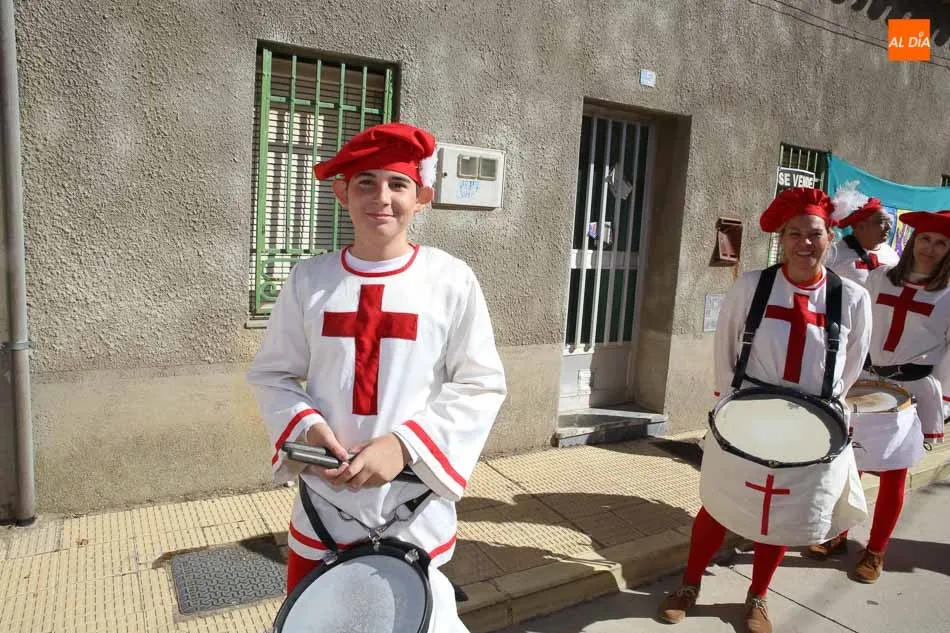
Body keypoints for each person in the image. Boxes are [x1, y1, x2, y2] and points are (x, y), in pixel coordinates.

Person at [247, 122, 507, 632]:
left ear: (422, 197)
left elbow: (481, 384)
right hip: (324, 510)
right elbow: (272, 374)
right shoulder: (309, 280)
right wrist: (307, 429)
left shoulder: (451, 280)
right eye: (365, 182)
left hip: (412, 514)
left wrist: (404, 446)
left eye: (397, 184)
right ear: (342, 192)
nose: (381, 197)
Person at [657, 187, 871, 633]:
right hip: (747, 415)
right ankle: (689, 584)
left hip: (811, 424)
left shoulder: (851, 297)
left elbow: (850, 367)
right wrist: (727, 410)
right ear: (781, 239)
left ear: (830, 237)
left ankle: (758, 595)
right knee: (719, 504)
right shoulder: (752, 286)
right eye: (794, 233)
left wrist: (822, 413)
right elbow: (725, 350)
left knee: (781, 515)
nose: (804, 243)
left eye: (814, 233)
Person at [805, 211, 950, 582]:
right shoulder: (880, 278)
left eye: (941, 243)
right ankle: (837, 533)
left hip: (911, 391)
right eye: (925, 239)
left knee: (894, 473)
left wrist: (944, 400)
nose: (930, 248)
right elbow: (854, 328)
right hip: (866, 381)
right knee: (847, 462)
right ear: (913, 241)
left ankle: (876, 549)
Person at [825, 182, 899, 286]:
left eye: (889, 221)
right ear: (860, 226)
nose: (889, 227)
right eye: (881, 221)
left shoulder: (892, 255)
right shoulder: (833, 254)